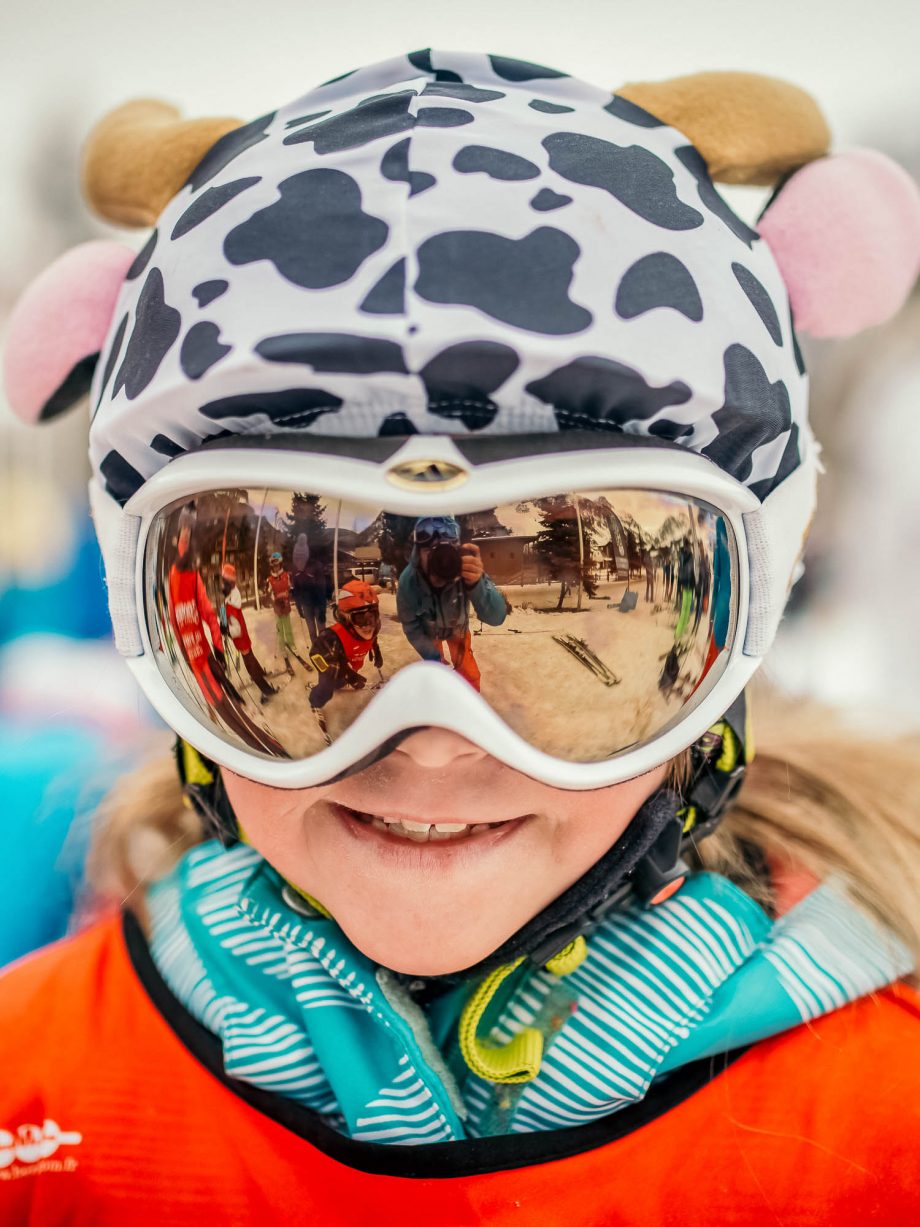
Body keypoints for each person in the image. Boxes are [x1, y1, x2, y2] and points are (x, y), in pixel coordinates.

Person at [1, 49, 919, 1225]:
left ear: (734, 634)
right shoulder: (40, 1108)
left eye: (581, 596)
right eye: (287, 609)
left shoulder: (876, 1132)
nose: (429, 745)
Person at [397, 515, 507, 691]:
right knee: (436, 672)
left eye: (447, 549)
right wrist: (432, 656)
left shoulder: (464, 568)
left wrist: (477, 584)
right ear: (417, 553)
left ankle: (470, 702)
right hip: (429, 630)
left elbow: (496, 617)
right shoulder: (409, 581)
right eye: (430, 550)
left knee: (468, 672)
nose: (441, 559)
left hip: (458, 627)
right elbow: (410, 625)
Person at [308, 580, 383, 714]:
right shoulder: (332, 637)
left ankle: (340, 682)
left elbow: (373, 638)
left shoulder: (375, 627)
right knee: (328, 688)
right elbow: (315, 654)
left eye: (372, 617)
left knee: (341, 683)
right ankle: (315, 702)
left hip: (348, 662)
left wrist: (376, 651)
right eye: (359, 618)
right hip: (331, 664)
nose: (368, 626)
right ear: (345, 618)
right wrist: (345, 673)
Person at [220, 564, 277, 704]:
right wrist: (223, 620)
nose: (221, 585)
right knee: (251, 656)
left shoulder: (231, 605)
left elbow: (236, 630)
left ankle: (266, 690)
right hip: (243, 638)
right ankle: (262, 674)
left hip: (241, 639)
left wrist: (226, 630)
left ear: (228, 584)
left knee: (250, 666)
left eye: (223, 582)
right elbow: (225, 610)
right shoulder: (232, 596)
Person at [265, 551, 310, 676]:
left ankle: (292, 645)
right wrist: (275, 602)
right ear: (271, 566)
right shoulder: (269, 579)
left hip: (286, 605)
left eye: (277, 565)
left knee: (288, 627)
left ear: (280, 565)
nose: (276, 567)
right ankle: (282, 650)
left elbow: (290, 589)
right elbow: (268, 595)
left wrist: (292, 593)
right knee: (280, 630)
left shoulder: (286, 575)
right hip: (278, 608)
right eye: (274, 566)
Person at [291, 535, 328, 646]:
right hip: (306, 605)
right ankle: (317, 650)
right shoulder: (296, 570)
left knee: (322, 631)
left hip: (318, 604)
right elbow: (296, 591)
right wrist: (299, 607)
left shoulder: (316, 565)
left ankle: (325, 650)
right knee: (312, 632)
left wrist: (322, 608)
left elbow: (323, 587)